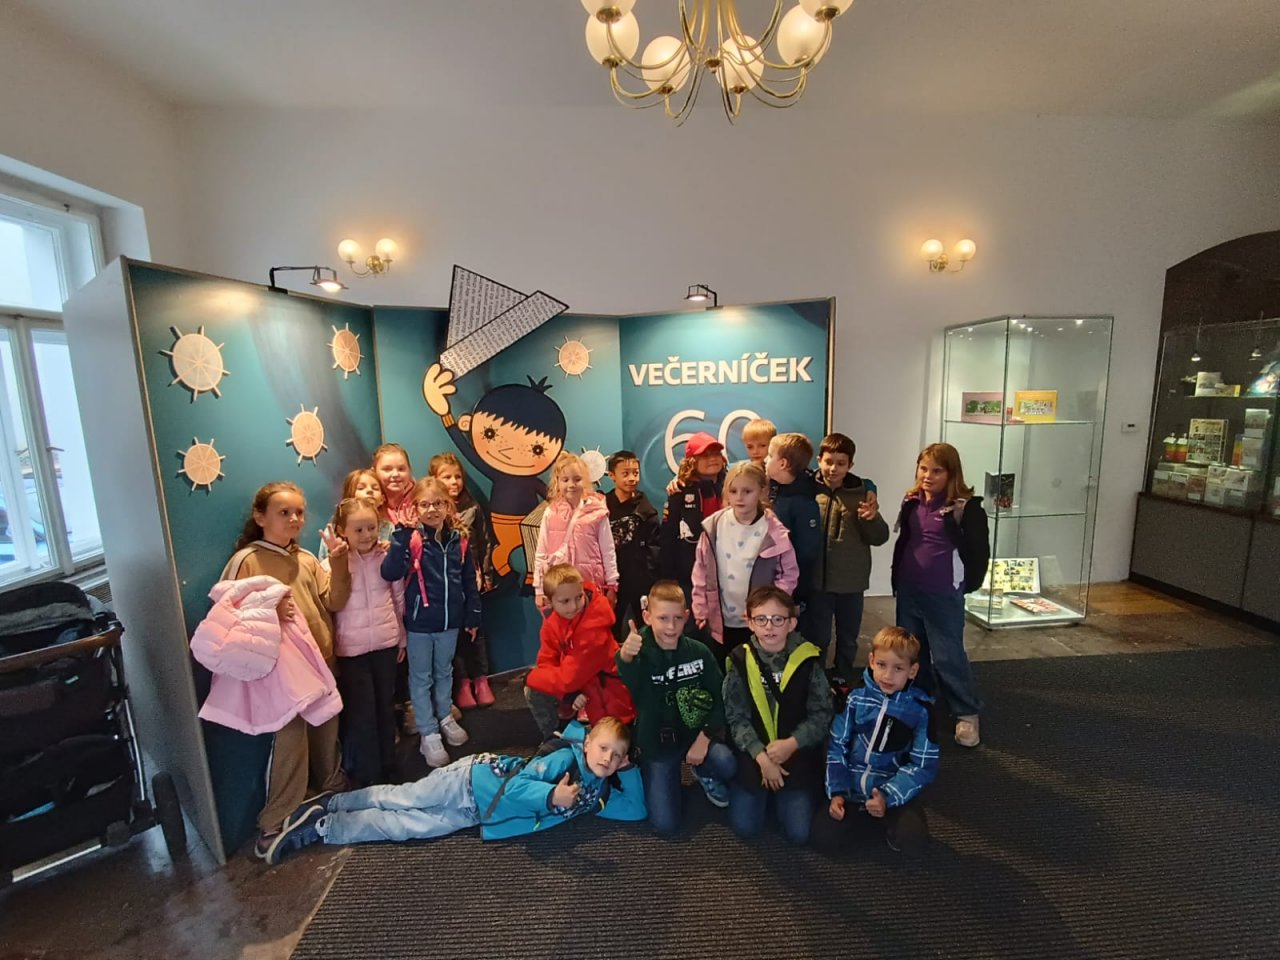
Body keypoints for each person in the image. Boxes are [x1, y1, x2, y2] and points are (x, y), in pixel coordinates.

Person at [263, 718, 645, 863]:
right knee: (404, 798)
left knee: (406, 827)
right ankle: (333, 803)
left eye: (617, 756)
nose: (608, 758)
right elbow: (516, 788)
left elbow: (636, 810)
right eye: (603, 748)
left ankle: (324, 827)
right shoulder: (564, 760)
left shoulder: (596, 794)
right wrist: (551, 797)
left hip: (476, 812)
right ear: (587, 742)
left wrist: (630, 770)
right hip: (471, 780)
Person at [217, 481, 351, 859]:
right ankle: (274, 820)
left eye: (299, 512)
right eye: (283, 512)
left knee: (326, 729)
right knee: (290, 741)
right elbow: (224, 613)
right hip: (282, 671)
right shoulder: (247, 561)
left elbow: (334, 600)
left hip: (321, 662)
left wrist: (339, 562)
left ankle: (332, 789)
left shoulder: (306, 558)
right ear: (260, 517)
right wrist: (268, 611)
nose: (294, 519)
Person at [422, 368, 566, 579]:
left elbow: (551, 497)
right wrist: (446, 416)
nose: (509, 449)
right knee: (503, 552)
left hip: (527, 527)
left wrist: (567, 506)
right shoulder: (435, 509)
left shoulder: (473, 506)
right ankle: (511, 574)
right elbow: (467, 450)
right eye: (491, 433)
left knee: (531, 548)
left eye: (536, 448)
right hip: (500, 529)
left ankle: (530, 577)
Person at [615, 580, 733, 836]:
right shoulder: (639, 653)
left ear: (687, 616)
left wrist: (705, 737)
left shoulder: (699, 652)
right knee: (665, 824)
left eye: (677, 618)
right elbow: (629, 678)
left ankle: (702, 770)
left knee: (728, 763)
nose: (671, 627)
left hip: (694, 734)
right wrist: (626, 656)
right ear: (647, 617)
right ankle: (656, 774)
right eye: (663, 618)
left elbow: (722, 698)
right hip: (657, 744)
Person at [891, 442, 989, 748]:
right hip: (909, 590)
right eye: (923, 469)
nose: (928, 476)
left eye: (936, 471)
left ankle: (966, 712)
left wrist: (964, 586)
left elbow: (979, 554)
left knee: (948, 656)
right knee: (912, 652)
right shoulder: (911, 501)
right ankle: (921, 700)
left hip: (943, 595)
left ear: (951, 473)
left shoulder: (966, 509)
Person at [381, 477, 481, 767]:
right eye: (424, 504)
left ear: (448, 505)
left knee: (444, 672)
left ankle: (445, 715)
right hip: (419, 624)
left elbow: (468, 580)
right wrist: (400, 537)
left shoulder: (459, 540)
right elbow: (390, 572)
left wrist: (473, 614)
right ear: (415, 508)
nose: (432, 509)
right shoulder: (412, 539)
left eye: (438, 503)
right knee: (421, 677)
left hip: (450, 621)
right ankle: (428, 731)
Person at [722, 586, 833, 845]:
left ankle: (781, 795)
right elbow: (735, 717)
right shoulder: (739, 660)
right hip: (755, 752)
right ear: (749, 622)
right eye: (761, 619)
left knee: (798, 833)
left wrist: (791, 744)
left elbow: (822, 713)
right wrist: (762, 758)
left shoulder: (808, 659)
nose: (769, 627)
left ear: (791, 623)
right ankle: (757, 788)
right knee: (745, 828)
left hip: (796, 749)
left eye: (778, 619)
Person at [821, 626, 938, 855]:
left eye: (898, 668)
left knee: (914, 842)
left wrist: (888, 795)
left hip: (891, 789)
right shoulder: (854, 698)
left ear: (912, 671)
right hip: (851, 789)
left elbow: (923, 765)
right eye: (882, 665)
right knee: (823, 839)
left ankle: (884, 816)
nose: (888, 676)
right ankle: (867, 817)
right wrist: (837, 791)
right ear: (871, 661)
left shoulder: (921, 710)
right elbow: (836, 746)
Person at [324, 496, 405, 787]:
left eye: (371, 528)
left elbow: (398, 597)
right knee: (362, 714)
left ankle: (389, 765)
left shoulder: (385, 558)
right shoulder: (332, 563)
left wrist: (402, 637)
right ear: (342, 530)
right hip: (352, 651)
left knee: (385, 706)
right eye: (358, 530)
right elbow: (331, 605)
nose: (367, 535)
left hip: (385, 643)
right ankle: (367, 775)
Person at [691, 462, 798, 659]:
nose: (739, 497)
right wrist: (700, 607)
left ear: (762, 491)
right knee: (724, 664)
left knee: (754, 666)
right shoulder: (714, 526)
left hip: (759, 622)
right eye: (733, 491)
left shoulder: (774, 532)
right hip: (720, 620)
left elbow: (788, 575)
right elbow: (700, 570)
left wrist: (770, 608)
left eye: (747, 491)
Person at [810, 432, 889, 679]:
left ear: (850, 465)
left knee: (848, 636)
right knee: (818, 636)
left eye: (841, 463)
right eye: (828, 461)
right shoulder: (807, 489)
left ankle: (843, 677)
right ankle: (816, 680)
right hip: (817, 582)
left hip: (851, 582)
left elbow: (880, 537)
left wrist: (871, 519)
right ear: (819, 460)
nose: (833, 468)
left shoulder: (862, 494)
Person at [525, 564, 635, 739]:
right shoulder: (552, 624)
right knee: (535, 689)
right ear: (550, 602)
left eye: (579, 597)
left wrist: (532, 677)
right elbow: (547, 662)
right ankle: (556, 737)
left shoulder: (595, 623)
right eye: (565, 601)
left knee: (614, 742)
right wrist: (568, 694)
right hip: (583, 689)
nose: (574, 606)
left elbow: (569, 679)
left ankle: (568, 734)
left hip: (611, 700)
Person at [430, 452, 496, 709]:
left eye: (457, 476)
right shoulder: (432, 510)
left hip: (472, 581)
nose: (453, 482)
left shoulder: (472, 507)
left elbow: (485, 541)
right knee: (452, 636)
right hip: (444, 586)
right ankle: (463, 682)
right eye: (446, 477)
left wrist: (487, 574)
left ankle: (481, 680)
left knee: (476, 632)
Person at [532, 452, 619, 608]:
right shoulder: (551, 512)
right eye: (565, 480)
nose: (571, 485)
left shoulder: (597, 513)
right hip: (559, 587)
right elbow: (541, 552)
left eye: (577, 479)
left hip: (590, 587)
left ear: (585, 481)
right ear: (557, 482)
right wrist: (539, 589)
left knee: (590, 623)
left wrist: (612, 584)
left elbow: (608, 550)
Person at [659, 431, 726, 605]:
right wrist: (668, 579)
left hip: (727, 573)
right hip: (689, 577)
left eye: (716, 453)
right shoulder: (679, 491)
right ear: (692, 461)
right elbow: (668, 537)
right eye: (705, 455)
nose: (713, 458)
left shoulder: (733, 485)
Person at [605, 449, 660, 640]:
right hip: (612, 579)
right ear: (612, 475)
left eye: (635, 473)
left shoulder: (646, 509)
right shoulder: (601, 506)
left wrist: (650, 579)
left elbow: (654, 548)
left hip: (640, 579)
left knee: (647, 626)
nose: (632, 478)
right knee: (609, 625)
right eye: (625, 473)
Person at [371, 443, 418, 529]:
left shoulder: (420, 497)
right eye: (387, 469)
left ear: (409, 470)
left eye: (401, 469)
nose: (395, 474)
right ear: (374, 472)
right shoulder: (368, 502)